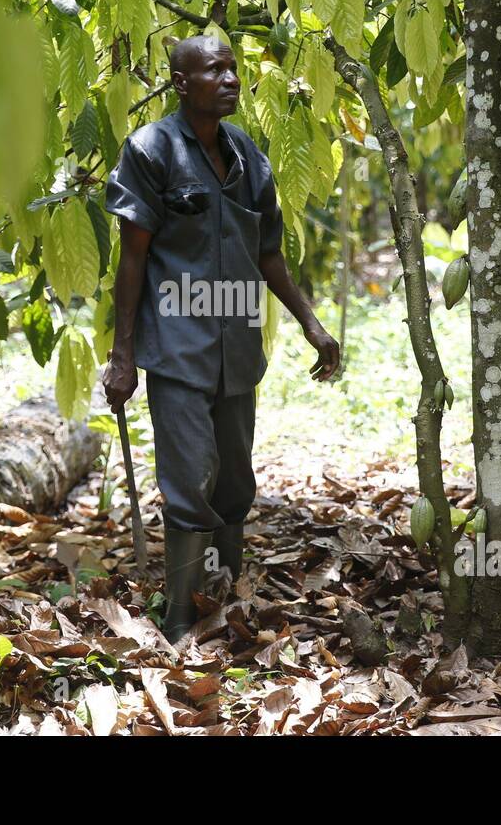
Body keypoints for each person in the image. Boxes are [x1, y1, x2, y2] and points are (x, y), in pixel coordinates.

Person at [101, 33, 341, 643]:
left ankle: (226, 605)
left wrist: (312, 323)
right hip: (177, 349)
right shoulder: (150, 149)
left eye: (233, 69)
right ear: (182, 83)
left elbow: (269, 254)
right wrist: (122, 356)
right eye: (216, 70)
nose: (231, 79)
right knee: (189, 484)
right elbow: (132, 260)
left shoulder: (248, 156)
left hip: (238, 349)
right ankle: (181, 623)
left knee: (235, 484)